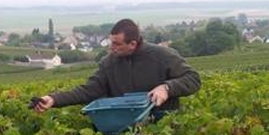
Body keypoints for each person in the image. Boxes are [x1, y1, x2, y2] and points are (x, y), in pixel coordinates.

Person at [33, 18, 201, 117]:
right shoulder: (109, 63)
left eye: (116, 44)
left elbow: (193, 79)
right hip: (124, 131)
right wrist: (54, 99)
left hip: (162, 129)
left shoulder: (163, 56)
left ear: (132, 44)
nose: (110, 48)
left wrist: (167, 88)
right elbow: (88, 90)